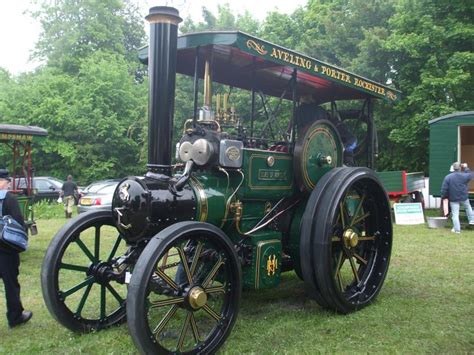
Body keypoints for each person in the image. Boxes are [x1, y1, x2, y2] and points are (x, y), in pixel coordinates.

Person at [0, 169, 33, 327]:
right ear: (3, 182)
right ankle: (15, 317)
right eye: (6, 181)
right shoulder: (10, 199)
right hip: (6, 250)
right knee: (11, 284)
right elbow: (19, 222)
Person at [440, 162, 474, 233]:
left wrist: (444, 197)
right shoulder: (464, 176)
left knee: (455, 214)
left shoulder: (448, 177)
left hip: (453, 198)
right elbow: (471, 175)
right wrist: (466, 167)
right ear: (460, 168)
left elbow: (444, 189)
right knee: (468, 207)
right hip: (464, 197)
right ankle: (472, 220)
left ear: (453, 168)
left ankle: (457, 230)